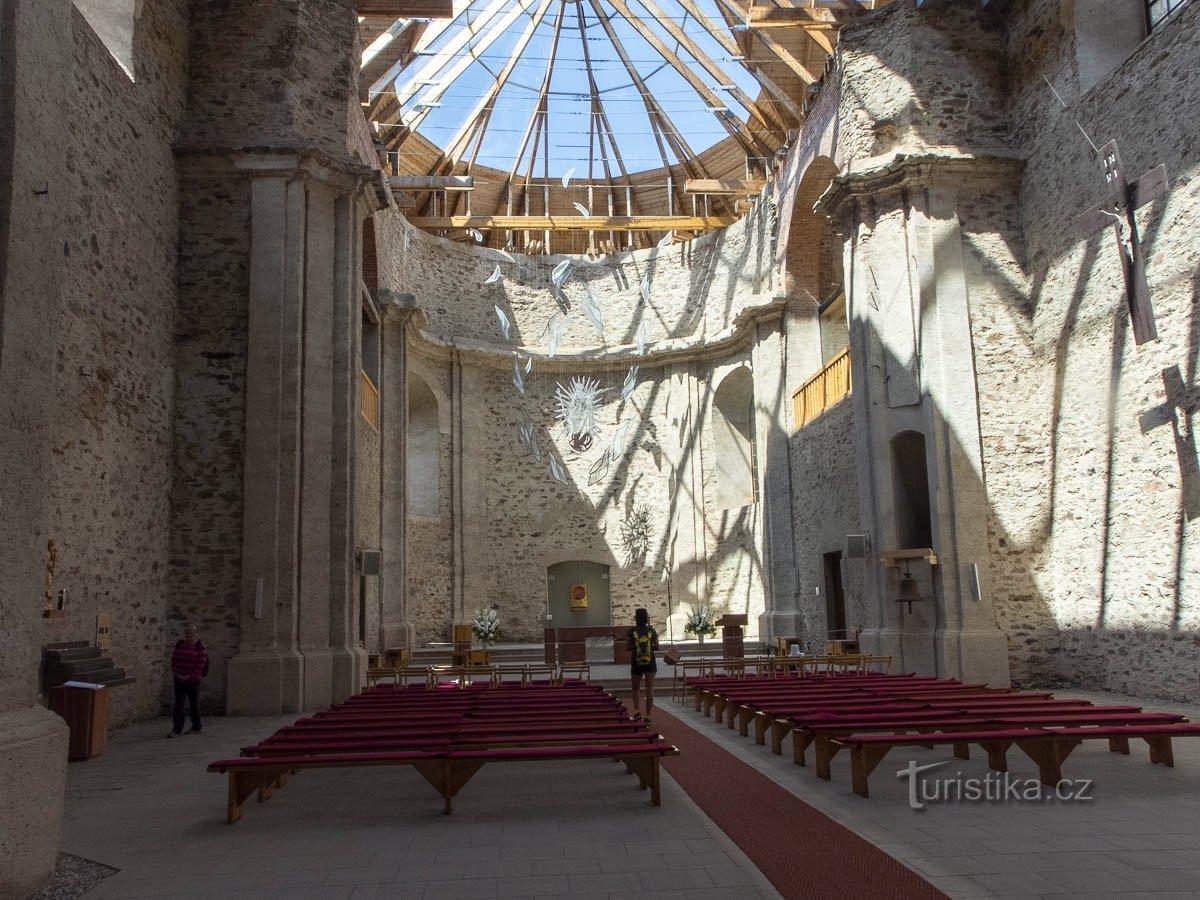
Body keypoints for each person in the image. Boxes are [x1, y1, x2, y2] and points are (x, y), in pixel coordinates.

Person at [168, 623, 208, 737]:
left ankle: (196, 726)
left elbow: (200, 664)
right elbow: (174, 660)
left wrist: (190, 677)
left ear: (196, 634)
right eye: (187, 632)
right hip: (179, 679)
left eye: (192, 632)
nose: (189, 635)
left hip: (193, 680)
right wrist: (177, 673)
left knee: (193, 704)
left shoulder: (200, 646)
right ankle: (177, 729)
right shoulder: (180, 644)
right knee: (179, 704)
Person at [626, 608, 660, 726]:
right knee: (649, 689)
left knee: (635, 688)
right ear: (647, 618)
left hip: (637, 662)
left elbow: (627, 648)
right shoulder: (652, 630)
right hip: (650, 662)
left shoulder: (632, 631)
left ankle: (636, 711)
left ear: (636, 618)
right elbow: (657, 648)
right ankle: (648, 716)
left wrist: (635, 648)